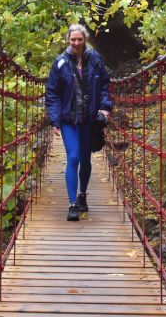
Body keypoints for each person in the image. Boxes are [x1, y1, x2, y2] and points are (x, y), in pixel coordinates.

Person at [45, 23, 112, 221]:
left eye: (80, 39)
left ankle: (82, 193)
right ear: (68, 40)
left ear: (85, 40)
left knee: (85, 159)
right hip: (69, 119)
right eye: (73, 39)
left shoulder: (96, 60)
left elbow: (105, 86)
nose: (76, 43)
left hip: (89, 118)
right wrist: (55, 120)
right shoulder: (60, 63)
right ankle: (73, 203)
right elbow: (52, 93)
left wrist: (105, 108)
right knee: (73, 158)